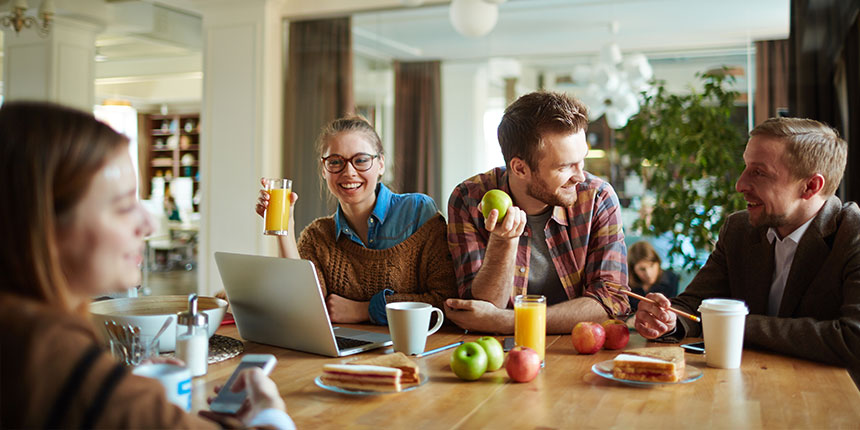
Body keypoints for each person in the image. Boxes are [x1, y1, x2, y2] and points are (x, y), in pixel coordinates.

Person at [0, 101, 293, 429]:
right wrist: (270, 411)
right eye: (124, 206)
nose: (149, 225)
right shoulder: (57, 362)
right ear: (43, 224)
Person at [635, 117, 860, 383]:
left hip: (829, 401)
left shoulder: (851, 233)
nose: (740, 184)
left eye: (759, 172)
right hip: (747, 385)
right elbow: (692, 306)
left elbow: (853, 339)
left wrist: (737, 324)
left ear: (811, 186)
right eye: (745, 167)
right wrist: (668, 320)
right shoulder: (739, 229)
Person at [445, 91, 630, 334]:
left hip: (575, 348)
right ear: (520, 168)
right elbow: (480, 311)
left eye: (581, 161)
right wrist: (503, 242)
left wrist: (510, 321)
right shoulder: (468, 199)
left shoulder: (597, 198)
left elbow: (612, 303)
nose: (580, 176)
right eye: (565, 167)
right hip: (500, 353)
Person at [255, 116, 457, 325]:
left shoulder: (417, 211)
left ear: (380, 164)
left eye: (361, 160)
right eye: (335, 162)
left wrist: (365, 310)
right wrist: (285, 228)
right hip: (340, 355)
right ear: (324, 170)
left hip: (414, 352)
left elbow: (446, 302)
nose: (349, 172)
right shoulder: (317, 237)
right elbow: (300, 308)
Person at [626, 241, 679, 311]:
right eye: (642, 269)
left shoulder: (671, 279)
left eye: (651, 266)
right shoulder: (627, 286)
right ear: (633, 270)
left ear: (658, 262)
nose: (648, 273)